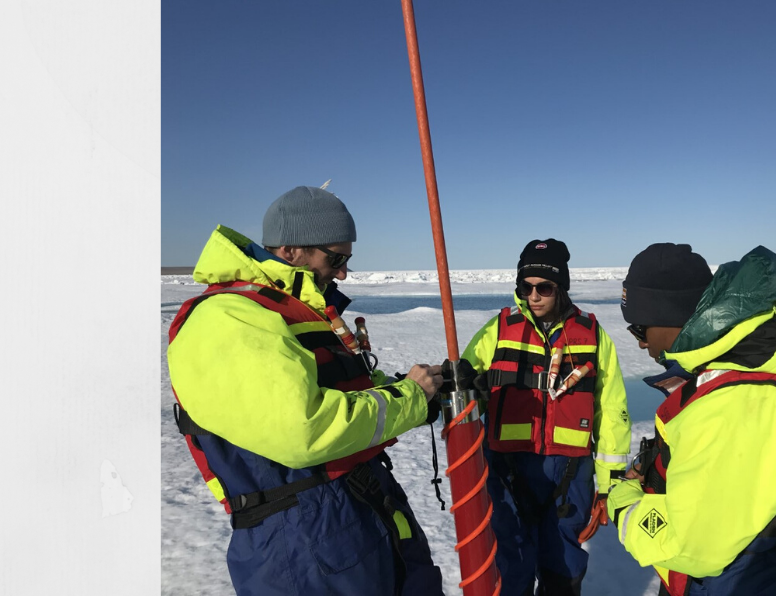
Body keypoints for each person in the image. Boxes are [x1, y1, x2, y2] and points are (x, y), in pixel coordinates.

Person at [166, 186, 445, 595]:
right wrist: (409, 400)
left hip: (360, 512)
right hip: (300, 537)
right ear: (291, 250)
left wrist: (421, 390)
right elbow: (304, 428)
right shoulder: (229, 318)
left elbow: (343, 390)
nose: (344, 272)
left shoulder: (297, 312)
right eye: (336, 258)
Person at [607, 244, 776, 596]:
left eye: (640, 330)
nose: (641, 345)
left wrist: (624, 499)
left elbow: (686, 547)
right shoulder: (762, 360)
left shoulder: (738, 402)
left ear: (673, 318)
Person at [461, 238, 631, 596]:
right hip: (508, 467)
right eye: (526, 286)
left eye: (544, 287)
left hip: (570, 472)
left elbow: (611, 411)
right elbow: (465, 381)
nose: (533, 295)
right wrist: (462, 382)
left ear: (562, 287)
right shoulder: (499, 328)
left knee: (563, 561)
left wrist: (609, 483)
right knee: (512, 555)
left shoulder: (593, 334)